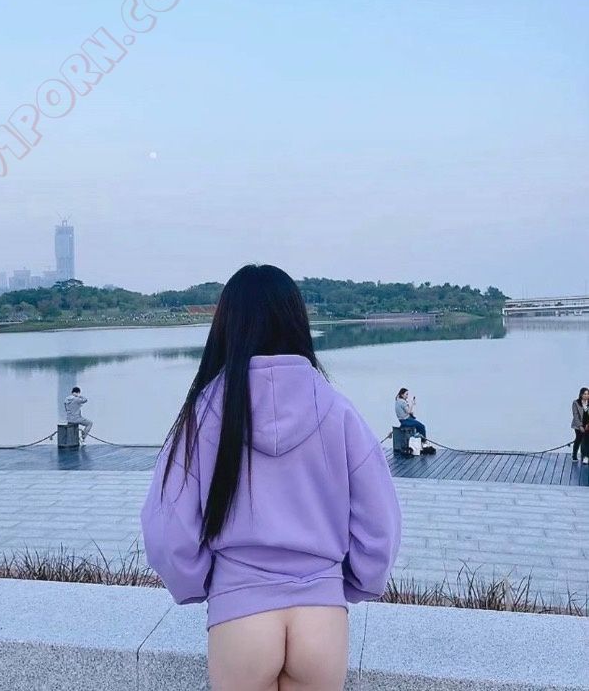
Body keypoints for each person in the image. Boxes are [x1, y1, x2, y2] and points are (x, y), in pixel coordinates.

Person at [141, 264, 401, 691]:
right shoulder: (337, 409)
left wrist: (197, 583)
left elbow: (169, 528)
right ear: (296, 321)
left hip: (240, 614)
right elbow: (380, 521)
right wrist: (354, 582)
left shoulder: (204, 413)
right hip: (322, 617)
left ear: (226, 326)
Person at [395, 388, 435, 454]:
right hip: (405, 420)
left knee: (416, 424)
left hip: (402, 420)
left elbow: (404, 412)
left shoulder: (397, 401)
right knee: (421, 426)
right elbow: (408, 411)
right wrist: (412, 404)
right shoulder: (402, 402)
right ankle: (424, 443)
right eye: (406, 394)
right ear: (402, 394)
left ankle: (419, 441)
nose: (407, 396)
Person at [570, 387, 589, 464]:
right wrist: (580, 426)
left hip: (587, 425)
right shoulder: (576, 403)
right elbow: (575, 415)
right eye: (585, 394)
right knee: (578, 439)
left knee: (586, 440)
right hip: (578, 425)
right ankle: (574, 455)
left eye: (588, 394)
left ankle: (585, 456)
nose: (586, 395)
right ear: (581, 394)